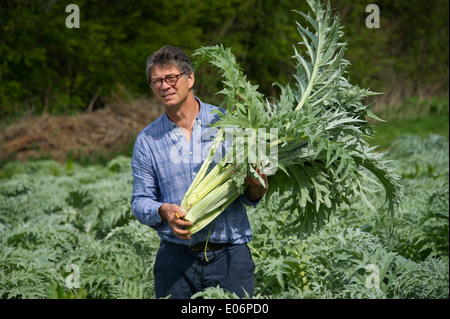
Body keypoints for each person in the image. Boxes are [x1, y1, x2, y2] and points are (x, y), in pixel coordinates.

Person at [131, 46, 268, 299]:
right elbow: (139, 202)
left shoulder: (230, 124)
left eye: (171, 77)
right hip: (176, 261)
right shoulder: (147, 140)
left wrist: (257, 180)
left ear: (190, 78)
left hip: (231, 257)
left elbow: (255, 195)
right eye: (157, 81)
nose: (165, 86)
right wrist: (164, 211)